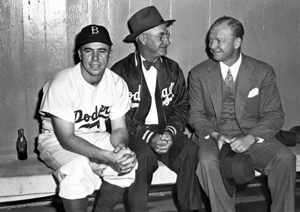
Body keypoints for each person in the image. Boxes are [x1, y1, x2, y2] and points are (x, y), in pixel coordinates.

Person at [188, 16, 296, 212]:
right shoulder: (198, 74)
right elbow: (196, 115)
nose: (212, 45)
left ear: (237, 42)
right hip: (214, 138)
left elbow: (274, 114)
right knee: (207, 163)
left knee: (285, 158)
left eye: (219, 40)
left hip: (251, 137)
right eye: (210, 39)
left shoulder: (263, 72)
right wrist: (215, 135)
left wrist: (251, 138)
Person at [111, 5, 203, 212]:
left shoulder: (172, 68)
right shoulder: (119, 72)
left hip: (167, 130)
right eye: (161, 36)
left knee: (190, 150)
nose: (168, 41)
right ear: (143, 39)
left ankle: (191, 209)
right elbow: (119, 117)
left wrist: (170, 133)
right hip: (136, 133)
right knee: (141, 157)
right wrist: (149, 137)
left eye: (167, 35)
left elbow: (182, 106)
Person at [37, 24, 137, 212]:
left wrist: (120, 148)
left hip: (95, 134)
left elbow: (119, 129)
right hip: (56, 140)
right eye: (88, 50)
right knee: (77, 167)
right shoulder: (62, 84)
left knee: (128, 162)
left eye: (102, 51)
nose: (96, 58)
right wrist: (107, 156)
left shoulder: (116, 83)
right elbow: (67, 139)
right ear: (79, 54)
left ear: (110, 53)